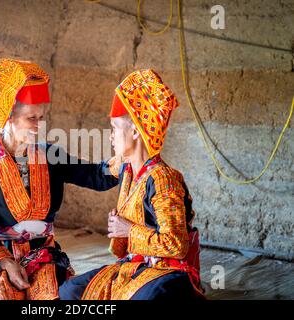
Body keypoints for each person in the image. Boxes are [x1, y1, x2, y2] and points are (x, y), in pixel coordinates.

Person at [0, 58, 119, 300]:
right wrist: (6, 262)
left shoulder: (49, 155)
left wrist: (127, 157)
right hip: (1, 256)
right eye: (31, 118)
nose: (39, 125)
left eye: (42, 117)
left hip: (42, 253)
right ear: (8, 118)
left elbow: (95, 176)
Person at [59, 69, 205, 300]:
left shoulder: (164, 179)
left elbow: (177, 245)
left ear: (136, 131)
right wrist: (50, 159)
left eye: (115, 128)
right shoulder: (126, 167)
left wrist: (128, 230)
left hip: (168, 271)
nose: (110, 137)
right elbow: (94, 172)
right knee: (70, 291)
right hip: (134, 267)